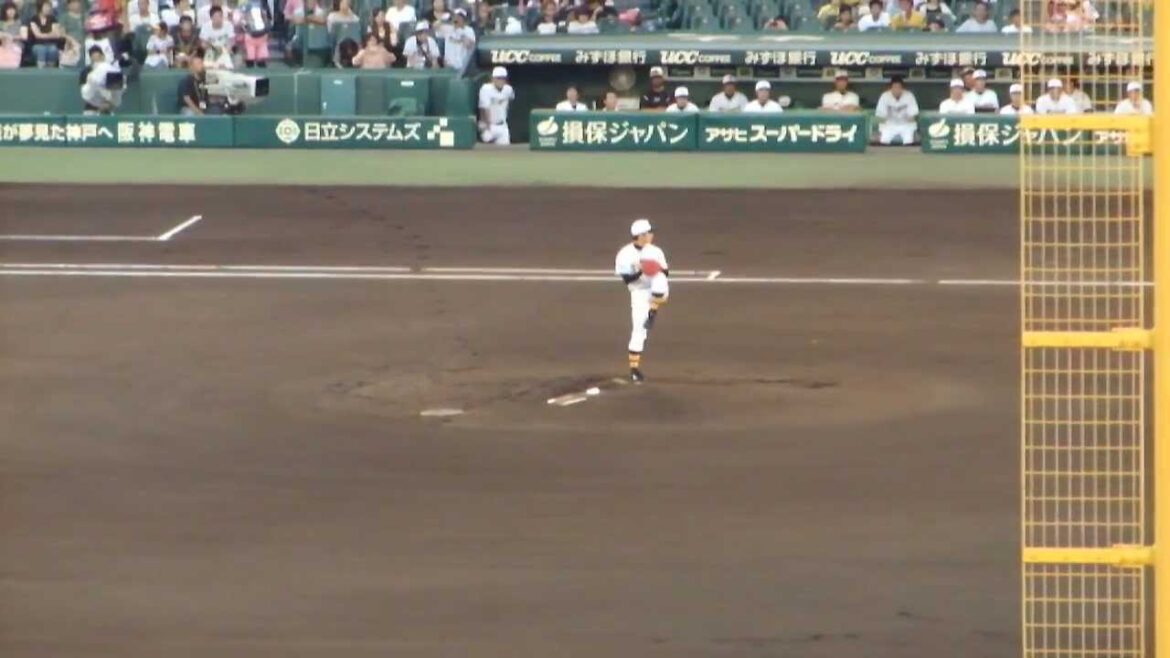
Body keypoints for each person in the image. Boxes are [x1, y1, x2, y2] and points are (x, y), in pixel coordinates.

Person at [615, 218, 669, 383]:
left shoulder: (656, 251)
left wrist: (653, 269)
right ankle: (634, 369)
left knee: (659, 279)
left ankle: (653, 310)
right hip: (638, 292)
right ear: (641, 235)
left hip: (656, 288)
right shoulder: (625, 254)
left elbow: (666, 273)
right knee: (639, 330)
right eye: (649, 232)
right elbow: (626, 280)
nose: (652, 235)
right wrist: (641, 271)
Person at [874, 75, 918, 144]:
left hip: (905, 124)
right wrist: (890, 118)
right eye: (894, 87)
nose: (897, 90)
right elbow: (880, 117)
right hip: (889, 124)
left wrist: (905, 118)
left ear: (902, 88)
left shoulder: (909, 95)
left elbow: (913, 116)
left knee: (908, 140)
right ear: (890, 88)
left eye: (899, 87)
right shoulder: (884, 96)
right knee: (884, 139)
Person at [80, 45, 122, 113]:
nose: (96, 60)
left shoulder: (111, 71)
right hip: (91, 107)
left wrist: (108, 103)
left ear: (103, 56)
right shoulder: (86, 71)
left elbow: (116, 92)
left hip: (108, 108)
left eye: (98, 57)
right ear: (91, 59)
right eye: (93, 57)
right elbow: (85, 93)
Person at [478, 66, 514, 145]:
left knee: (505, 150)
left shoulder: (508, 90)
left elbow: (511, 100)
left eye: (503, 78)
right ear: (493, 79)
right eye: (498, 78)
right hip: (489, 125)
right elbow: (483, 108)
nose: (501, 81)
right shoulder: (486, 89)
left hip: (502, 125)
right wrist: (486, 126)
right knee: (485, 150)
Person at [28, 0, 62, 68]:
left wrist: (42, 35)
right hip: (37, 44)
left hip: (51, 44)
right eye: (46, 7)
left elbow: (57, 34)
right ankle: (41, 70)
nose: (48, 8)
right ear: (40, 7)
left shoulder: (53, 19)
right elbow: (37, 35)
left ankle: (51, 70)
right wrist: (50, 34)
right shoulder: (34, 19)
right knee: (41, 49)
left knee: (53, 49)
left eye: (49, 7)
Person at [442, 8, 474, 72]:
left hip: (462, 66)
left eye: (459, 17)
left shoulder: (469, 30)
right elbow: (434, 26)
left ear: (463, 19)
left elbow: (469, 45)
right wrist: (443, 19)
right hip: (449, 65)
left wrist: (461, 33)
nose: (457, 19)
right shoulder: (447, 28)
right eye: (455, 16)